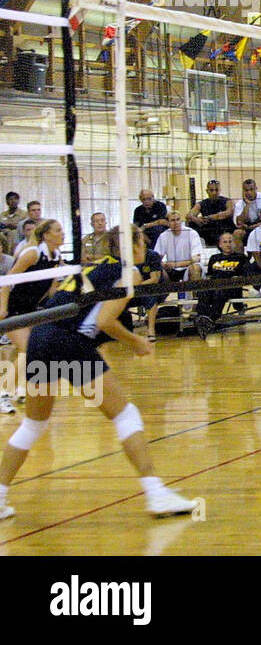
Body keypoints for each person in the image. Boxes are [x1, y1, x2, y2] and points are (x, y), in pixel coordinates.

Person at [0, 225, 197, 520]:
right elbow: (105, 321)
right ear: (132, 246)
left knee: (33, 425)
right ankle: (156, 494)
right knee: (125, 415)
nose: (146, 247)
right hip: (69, 341)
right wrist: (137, 342)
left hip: (41, 338)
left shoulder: (93, 267)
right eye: (142, 242)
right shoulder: (129, 272)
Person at [0, 219, 64, 414]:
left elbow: (52, 289)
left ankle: (19, 389)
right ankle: (3, 393)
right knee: (28, 350)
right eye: (58, 230)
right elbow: (7, 281)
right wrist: (2, 309)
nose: (62, 233)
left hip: (31, 309)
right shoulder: (32, 253)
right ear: (46, 235)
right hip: (13, 308)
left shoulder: (56, 255)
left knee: (32, 350)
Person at [193, 232, 250, 338]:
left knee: (220, 292)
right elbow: (210, 276)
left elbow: (245, 276)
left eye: (230, 241)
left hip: (232, 287)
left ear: (234, 243)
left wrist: (238, 279)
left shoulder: (241, 257)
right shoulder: (214, 258)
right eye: (225, 242)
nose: (228, 244)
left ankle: (211, 319)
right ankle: (201, 318)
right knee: (203, 292)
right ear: (220, 244)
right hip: (215, 285)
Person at [155, 212, 203, 287]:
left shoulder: (191, 233)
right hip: (170, 270)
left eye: (178, 219)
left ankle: (196, 296)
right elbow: (156, 258)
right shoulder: (163, 236)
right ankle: (164, 297)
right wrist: (164, 265)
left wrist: (176, 264)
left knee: (195, 268)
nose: (176, 222)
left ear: (181, 221)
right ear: (168, 223)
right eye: (173, 220)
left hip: (188, 267)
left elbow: (196, 258)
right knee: (157, 271)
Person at [187, 179, 234, 247]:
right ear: (207, 191)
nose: (214, 192)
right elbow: (189, 215)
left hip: (225, 229)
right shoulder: (202, 203)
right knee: (190, 222)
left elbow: (229, 212)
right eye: (211, 190)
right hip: (209, 231)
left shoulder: (228, 201)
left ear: (220, 190)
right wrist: (196, 219)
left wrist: (210, 217)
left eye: (216, 190)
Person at [231, 178, 261, 249]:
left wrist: (254, 226)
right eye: (246, 190)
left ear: (256, 188)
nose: (249, 192)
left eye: (251, 189)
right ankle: (240, 257)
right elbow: (239, 223)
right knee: (237, 233)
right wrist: (247, 205)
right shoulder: (240, 203)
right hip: (248, 228)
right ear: (243, 191)